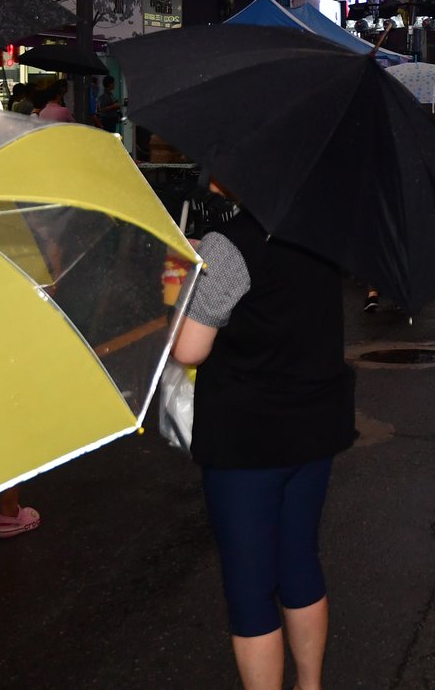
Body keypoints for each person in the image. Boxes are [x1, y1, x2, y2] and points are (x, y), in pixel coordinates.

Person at [172, 190, 356, 690]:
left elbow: (189, 348)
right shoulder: (320, 238)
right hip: (314, 430)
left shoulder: (228, 246)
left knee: (250, 588)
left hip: (246, 443)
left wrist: (183, 293)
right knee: (299, 562)